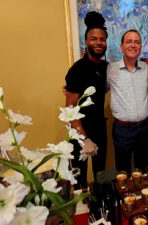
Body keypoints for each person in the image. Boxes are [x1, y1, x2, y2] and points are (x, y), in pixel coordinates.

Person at [64, 11, 108, 189]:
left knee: (101, 175)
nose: (98, 42)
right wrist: (85, 138)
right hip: (79, 130)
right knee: (79, 176)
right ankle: (81, 210)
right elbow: (70, 110)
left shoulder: (106, 67)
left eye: (102, 39)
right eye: (93, 39)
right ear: (86, 42)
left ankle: (99, 208)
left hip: (100, 126)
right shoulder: (77, 70)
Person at [107, 29, 148, 174]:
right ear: (121, 47)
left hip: (145, 128)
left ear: (141, 46)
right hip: (122, 130)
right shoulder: (110, 69)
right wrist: (72, 89)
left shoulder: (147, 68)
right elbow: (95, 86)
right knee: (123, 172)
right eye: (129, 42)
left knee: (144, 170)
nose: (133, 45)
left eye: (137, 42)